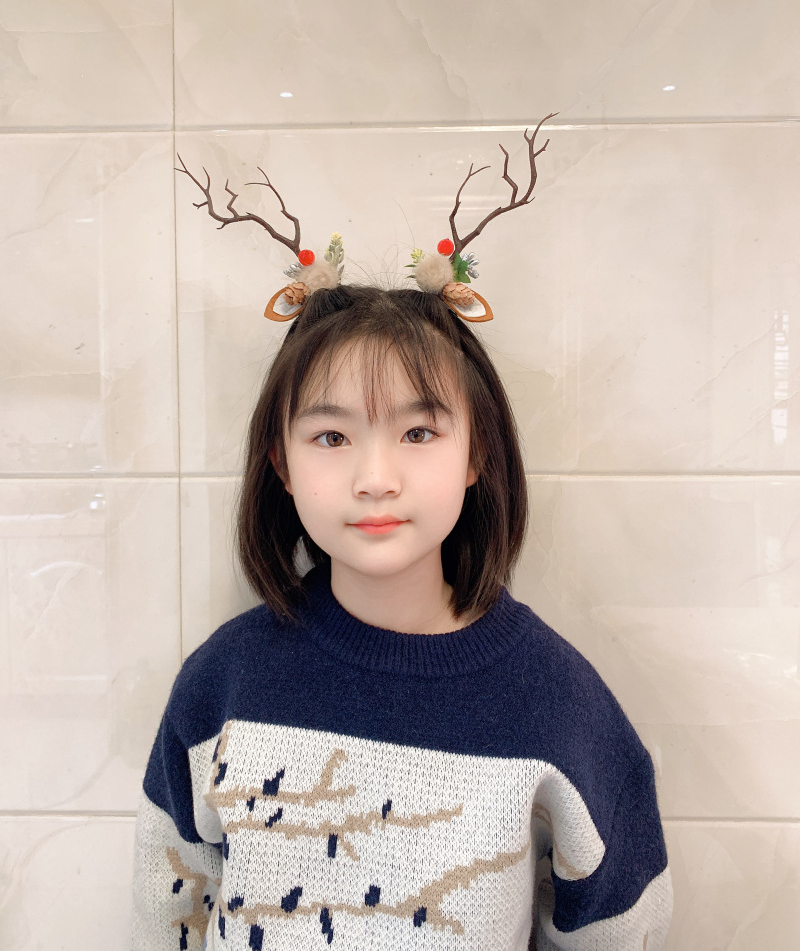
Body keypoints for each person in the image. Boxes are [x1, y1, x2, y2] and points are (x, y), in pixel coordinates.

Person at [131, 283, 673, 950]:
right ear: (282, 464)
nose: (376, 478)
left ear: (477, 452)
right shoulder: (222, 682)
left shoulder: (558, 699)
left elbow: (622, 927)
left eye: (418, 432)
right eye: (331, 436)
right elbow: (167, 911)